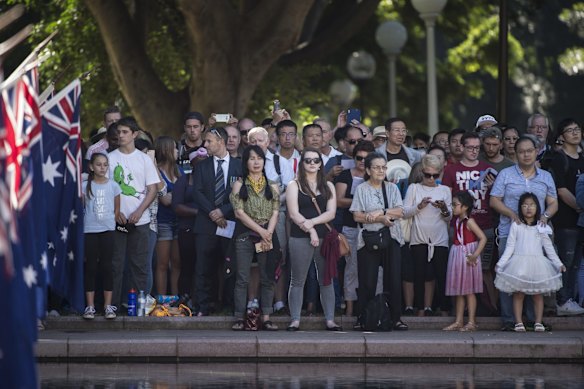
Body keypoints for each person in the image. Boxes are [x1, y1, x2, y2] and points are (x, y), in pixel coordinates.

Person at [490, 134, 558, 331]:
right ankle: (510, 319)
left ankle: (533, 318)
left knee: (536, 275)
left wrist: (545, 215)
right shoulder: (506, 174)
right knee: (508, 275)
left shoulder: (545, 176)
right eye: (521, 152)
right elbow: (494, 200)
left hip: (538, 233)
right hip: (509, 232)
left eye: (530, 151)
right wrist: (511, 214)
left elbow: (553, 202)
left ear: (536, 152)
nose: (526, 155)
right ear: (515, 154)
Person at [350, 152, 408, 331]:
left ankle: (395, 318)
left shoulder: (391, 188)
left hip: (392, 238)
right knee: (367, 280)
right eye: (376, 167)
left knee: (394, 279)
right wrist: (380, 219)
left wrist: (380, 212)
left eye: (384, 167)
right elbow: (357, 215)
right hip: (369, 238)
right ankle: (364, 318)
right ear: (368, 169)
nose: (381, 170)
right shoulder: (362, 189)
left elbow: (400, 211)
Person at [285, 147, 342, 331]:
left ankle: (330, 320)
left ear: (320, 164)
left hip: (326, 238)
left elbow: (331, 213)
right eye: (307, 160)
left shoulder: (329, 185)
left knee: (326, 279)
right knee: (297, 280)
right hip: (299, 236)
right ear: (302, 163)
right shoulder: (294, 185)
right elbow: (293, 214)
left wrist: (312, 223)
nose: (311, 163)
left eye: (315, 160)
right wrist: (311, 231)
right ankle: (295, 319)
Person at [108, 117, 161, 308]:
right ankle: (112, 305)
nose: (120, 135)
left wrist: (139, 211)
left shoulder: (144, 159)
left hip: (141, 221)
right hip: (116, 221)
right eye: (118, 132)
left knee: (140, 265)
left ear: (134, 134)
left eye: (124, 132)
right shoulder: (110, 158)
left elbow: (153, 189)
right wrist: (115, 211)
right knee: (116, 264)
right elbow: (105, 187)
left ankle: (139, 305)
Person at [494, 192, 565, 332]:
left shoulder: (541, 226)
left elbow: (548, 248)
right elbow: (510, 247)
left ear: (537, 207)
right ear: (520, 208)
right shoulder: (516, 225)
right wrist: (501, 263)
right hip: (519, 264)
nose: (528, 208)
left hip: (538, 264)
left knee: (538, 294)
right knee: (519, 293)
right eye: (525, 205)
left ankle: (538, 322)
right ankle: (518, 322)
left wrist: (558, 263)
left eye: (532, 205)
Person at [229, 146, 281, 331]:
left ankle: (266, 317)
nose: (256, 162)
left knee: (267, 277)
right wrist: (261, 231)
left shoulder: (272, 184)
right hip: (245, 234)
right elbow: (239, 213)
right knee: (242, 277)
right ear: (246, 162)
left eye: (259, 158)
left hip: (267, 234)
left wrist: (269, 233)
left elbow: (276, 212)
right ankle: (239, 317)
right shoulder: (239, 184)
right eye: (252, 158)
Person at [193, 127, 243, 316]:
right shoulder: (201, 166)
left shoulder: (239, 166)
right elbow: (197, 193)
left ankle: (231, 306)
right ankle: (204, 306)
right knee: (204, 267)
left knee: (231, 265)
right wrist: (213, 213)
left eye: (209, 141)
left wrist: (223, 211)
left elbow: (241, 194)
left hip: (230, 222)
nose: (205, 145)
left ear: (221, 141)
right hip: (206, 223)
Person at [402, 155, 452, 317]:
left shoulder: (444, 190)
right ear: (422, 172)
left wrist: (444, 208)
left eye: (435, 176)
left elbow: (449, 217)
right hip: (419, 238)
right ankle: (420, 310)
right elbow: (404, 212)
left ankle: (444, 309)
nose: (431, 179)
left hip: (440, 239)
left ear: (440, 173)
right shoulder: (414, 188)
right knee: (419, 274)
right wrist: (420, 206)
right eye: (428, 175)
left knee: (441, 274)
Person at [334, 140, 376, 317]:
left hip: (374, 229)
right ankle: (350, 308)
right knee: (351, 268)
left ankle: (372, 307)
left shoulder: (377, 176)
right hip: (349, 227)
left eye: (366, 159)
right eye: (359, 158)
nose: (362, 162)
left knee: (375, 270)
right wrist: (361, 202)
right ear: (354, 157)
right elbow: (338, 200)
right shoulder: (345, 175)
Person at [549, 118, 584, 316]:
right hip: (566, 219)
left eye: (577, 129)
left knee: (577, 263)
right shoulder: (559, 158)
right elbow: (560, 190)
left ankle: (571, 298)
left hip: (581, 222)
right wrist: (580, 207)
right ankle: (562, 301)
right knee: (566, 261)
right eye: (570, 130)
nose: (575, 133)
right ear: (562, 136)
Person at [82, 153, 122, 320]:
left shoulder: (113, 186)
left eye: (105, 165)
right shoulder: (85, 185)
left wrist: (111, 222)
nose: (102, 168)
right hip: (90, 230)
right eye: (99, 164)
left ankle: (107, 306)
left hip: (107, 230)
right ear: (91, 166)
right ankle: (90, 306)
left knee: (107, 267)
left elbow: (117, 209)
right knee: (91, 267)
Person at [443, 191, 487, 331]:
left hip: (468, 256)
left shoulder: (470, 221)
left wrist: (475, 255)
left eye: (456, 205)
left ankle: (472, 321)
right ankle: (459, 320)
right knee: (459, 291)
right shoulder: (456, 221)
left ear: (465, 207)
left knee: (469, 290)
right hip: (457, 254)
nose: (453, 207)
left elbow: (483, 238)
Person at [173, 148, 208, 303]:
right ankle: (185, 298)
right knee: (187, 266)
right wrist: (199, 212)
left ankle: (205, 300)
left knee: (205, 267)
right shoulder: (184, 180)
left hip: (207, 229)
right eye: (198, 163)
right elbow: (177, 206)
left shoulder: (212, 180)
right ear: (192, 164)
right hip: (187, 229)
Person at [154, 136, 182, 296]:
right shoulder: (156, 171)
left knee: (177, 263)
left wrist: (176, 197)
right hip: (163, 221)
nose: (177, 151)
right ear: (166, 150)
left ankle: (175, 299)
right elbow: (165, 199)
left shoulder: (180, 171)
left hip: (179, 221)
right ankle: (162, 299)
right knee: (162, 264)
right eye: (174, 148)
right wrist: (178, 197)